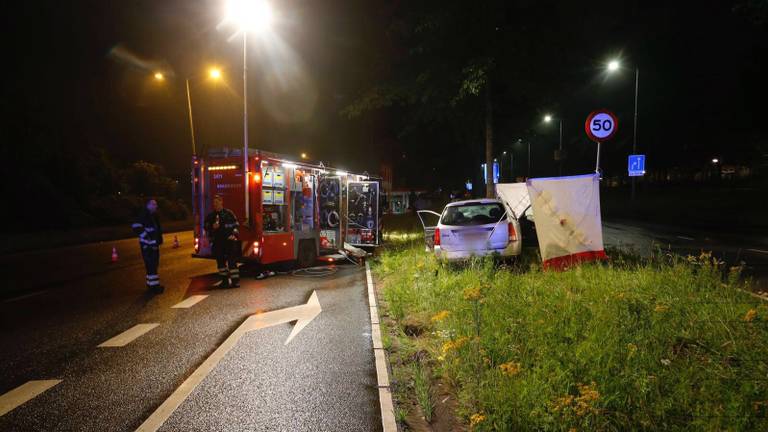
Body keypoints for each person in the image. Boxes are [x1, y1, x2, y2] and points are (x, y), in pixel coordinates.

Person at [204, 195, 240, 288]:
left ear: (221, 202)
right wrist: (212, 227)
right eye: (214, 203)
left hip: (229, 242)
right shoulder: (211, 216)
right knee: (221, 263)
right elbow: (206, 227)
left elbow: (236, 225)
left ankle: (235, 281)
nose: (215, 205)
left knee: (232, 262)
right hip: (218, 242)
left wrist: (234, 235)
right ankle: (224, 281)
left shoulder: (229, 213)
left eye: (217, 202)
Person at [132, 198, 164, 293]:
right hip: (148, 246)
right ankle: (154, 288)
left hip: (152, 245)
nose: (156, 206)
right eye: (153, 204)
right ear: (148, 205)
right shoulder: (144, 215)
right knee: (151, 266)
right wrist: (147, 238)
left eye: (156, 204)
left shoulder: (153, 215)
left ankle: (151, 285)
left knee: (152, 266)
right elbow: (136, 226)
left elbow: (156, 229)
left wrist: (157, 240)